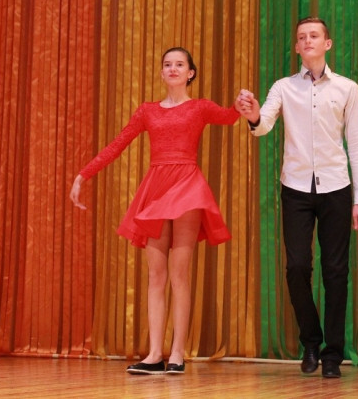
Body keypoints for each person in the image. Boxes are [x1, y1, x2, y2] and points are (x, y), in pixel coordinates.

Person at [70, 47, 248, 375]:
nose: (173, 69)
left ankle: (177, 353)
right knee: (156, 274)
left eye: (179, 64)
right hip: (156, 189)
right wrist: (84, 175)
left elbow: (227, 116)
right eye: (167, 64)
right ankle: (154, 354)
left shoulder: (199, 107)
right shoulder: (147, 111)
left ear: (190, 73)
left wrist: (240, 105)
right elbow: (117, 144)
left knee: (179, 273)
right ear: (162, 72)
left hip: (186, 186)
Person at [237, 17, 358, 378]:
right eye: (301, 37)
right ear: (296, 47)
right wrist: (252, 115)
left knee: (336, 272)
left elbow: (357, 145)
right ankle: (311, 340)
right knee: (297, 268)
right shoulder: (283, 87)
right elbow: (263, 125)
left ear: (327, 44)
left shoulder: (347, 88)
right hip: (295, 187)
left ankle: (332, 355)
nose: (307, 40)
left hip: (336, 188)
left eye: (314, 35)